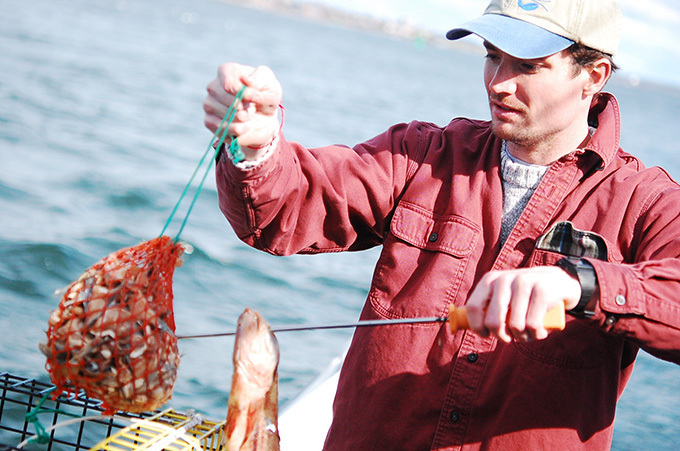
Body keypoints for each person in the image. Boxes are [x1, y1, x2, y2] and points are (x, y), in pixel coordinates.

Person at [203, 0, 680, 449]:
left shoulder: (645, 201)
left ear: (592, 76)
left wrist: (582, 285)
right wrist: (257, 147)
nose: (498, 83)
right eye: (493, 57)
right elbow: (288, 209)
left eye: (528, 66)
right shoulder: (423, 154)